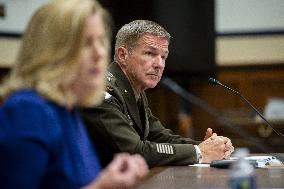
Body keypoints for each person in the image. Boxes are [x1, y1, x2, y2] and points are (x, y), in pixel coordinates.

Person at [0, 1, 148, 189]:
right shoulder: (28, 111)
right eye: (85, 43)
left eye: (101, 41)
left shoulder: (68, 109)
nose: (99, 53)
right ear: (51, 50)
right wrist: (102, 186)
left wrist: (110, 177)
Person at [81, 20, 234, 168]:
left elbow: (160, 137)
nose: (159, 64)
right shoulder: (100, 92)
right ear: (122, 55)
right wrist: (200, 152)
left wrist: (206, 146)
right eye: (149, 53)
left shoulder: (133, 89)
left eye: (163, 57)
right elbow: (135, 151)